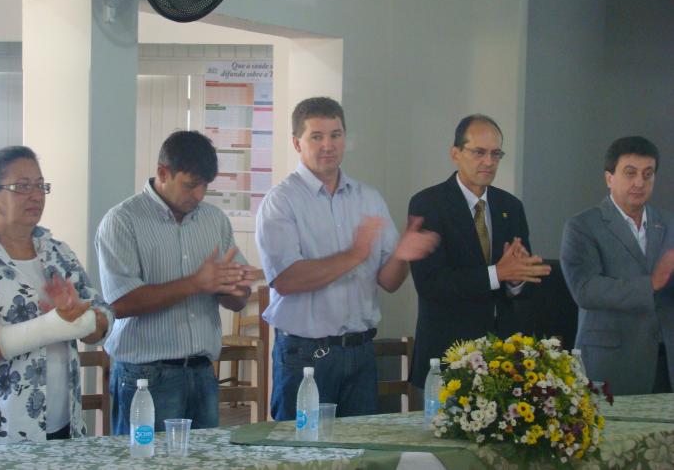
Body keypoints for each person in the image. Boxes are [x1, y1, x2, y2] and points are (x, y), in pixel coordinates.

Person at [256, 97, 439, 420]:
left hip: (361, 353)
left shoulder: (368, 198)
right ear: (296, 143)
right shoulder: (280, 202)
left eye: (336, 135)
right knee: (301, 457)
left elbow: (389, 281)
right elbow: (286, 280)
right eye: (317, 136)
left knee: (359, 455)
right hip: (305, 356)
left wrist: (404, 256)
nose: (328, 145)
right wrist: (354, 255)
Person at [95, 130, 260, 435]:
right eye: (190, 185)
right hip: (147, 376)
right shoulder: (122, 221)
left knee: (203, 462)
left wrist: (236, 287)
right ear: (162, 173)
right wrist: (196, 283)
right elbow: (121, 302)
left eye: (204, 187)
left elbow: (234, 301)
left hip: (202, 372)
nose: (198, 195)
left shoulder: (215, 220)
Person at [0, 146, 112, 444]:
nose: (36, 195)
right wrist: (55, 324)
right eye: (22, 187)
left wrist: (84, 318)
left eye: (40, 186)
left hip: (65, 425)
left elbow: (103, 318)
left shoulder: (58, 252)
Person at [408, 114, 551, 389]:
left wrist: (518, 279)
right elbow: (431, 284)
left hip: (502, 358)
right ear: (455, 153)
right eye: (479, 152)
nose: (489, 161)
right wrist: (498, 273)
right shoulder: (429, 203)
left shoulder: (510, 206)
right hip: (448, 355)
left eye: (496, 154)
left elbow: (523, 289)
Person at [560, 136, 674, 395]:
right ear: (609, 178)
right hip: (612, 362)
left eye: (648, 174)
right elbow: (586, 290)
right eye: (630, 173)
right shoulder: (582, 226)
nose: (639, 183)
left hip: (665, 361)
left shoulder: (669, 223)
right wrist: (651, 284)